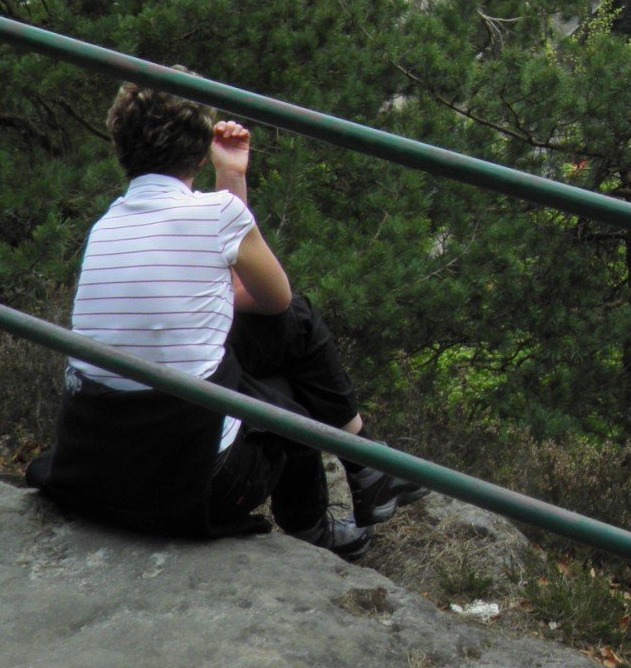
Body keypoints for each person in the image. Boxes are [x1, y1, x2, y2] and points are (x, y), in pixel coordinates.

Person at [27, 79, 425, 557]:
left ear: (119, 146)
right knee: (286, 383)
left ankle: (366, 471)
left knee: (265, 355)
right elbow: (275, 299)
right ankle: (325, 515)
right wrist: (232, 178)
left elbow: (220, 299)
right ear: (199, 153)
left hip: (96, 472)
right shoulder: (217, 214)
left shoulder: (105, 225)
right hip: (193, 490)